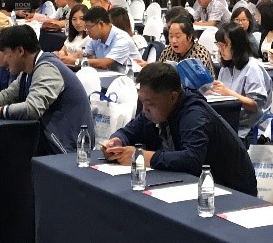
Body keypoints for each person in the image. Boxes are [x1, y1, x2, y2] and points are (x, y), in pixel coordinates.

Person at [102, 62, 258, 194]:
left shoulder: (194, 114)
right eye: (142, 102)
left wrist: (142, 157)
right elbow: (129, 131)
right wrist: (117, 141)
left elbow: (192, 160)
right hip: (197, 186)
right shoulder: (155, 109)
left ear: (172, 97)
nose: (144, 109)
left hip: (231, 190)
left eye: (150, 103)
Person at [0, 26, 93, 152]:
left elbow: (32, 109)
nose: (5, 59)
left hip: (68, 148)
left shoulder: (47, 68)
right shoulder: (29, 69)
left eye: (6, 53)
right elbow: (8, 95)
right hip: (46, 139)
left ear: (20, 51)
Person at [208, 22, 272, 139]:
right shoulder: (225, 68)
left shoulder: (252, 68)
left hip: (250, 129)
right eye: (218, 45)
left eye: (224, 45)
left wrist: (229, 93)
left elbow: (255, 105)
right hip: (230, 124)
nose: (220, 50)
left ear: (237, 45)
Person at [69, 5, 138, 73]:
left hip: (129, 77)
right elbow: (84, 53)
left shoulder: (122, 39)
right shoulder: (96, 38)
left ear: (100, 24)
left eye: (88, 27)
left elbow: (105, 63)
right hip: (108, 75)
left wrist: (76, 61)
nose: (87, 32)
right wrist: (67, 58)